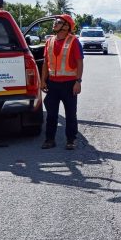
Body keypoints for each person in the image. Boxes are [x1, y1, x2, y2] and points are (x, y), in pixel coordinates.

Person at [40, 14, 83, 150]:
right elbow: (46, 63)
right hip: (53, 84)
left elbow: (79, 62)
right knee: (51, 114)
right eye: (55, 22)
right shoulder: (49, 41)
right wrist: (43, 81)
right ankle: (49, 140)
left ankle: (71, 140)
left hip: (69, 84)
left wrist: (78, 81)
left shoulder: (74, 41)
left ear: (66, 26)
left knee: (70, 114)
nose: (55, 24)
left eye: (58, 22)